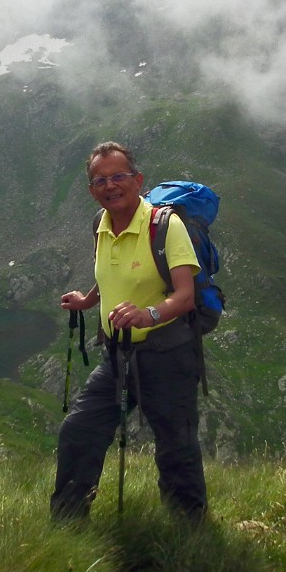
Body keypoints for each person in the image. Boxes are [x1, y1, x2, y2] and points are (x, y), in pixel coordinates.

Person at [51, 141, 208, 521]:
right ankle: (67, 526)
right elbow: (113, 276)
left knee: (176, 446)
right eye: (100, 180)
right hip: (118, 355)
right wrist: (87, 301)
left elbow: (185, 297)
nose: (110, 185)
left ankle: (189, 530)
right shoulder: (100, 225)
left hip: (169, 355)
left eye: (119, 176)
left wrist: (146, 314)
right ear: (91, 190)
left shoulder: (165, 227)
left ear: (137, 180)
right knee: (79, 430)